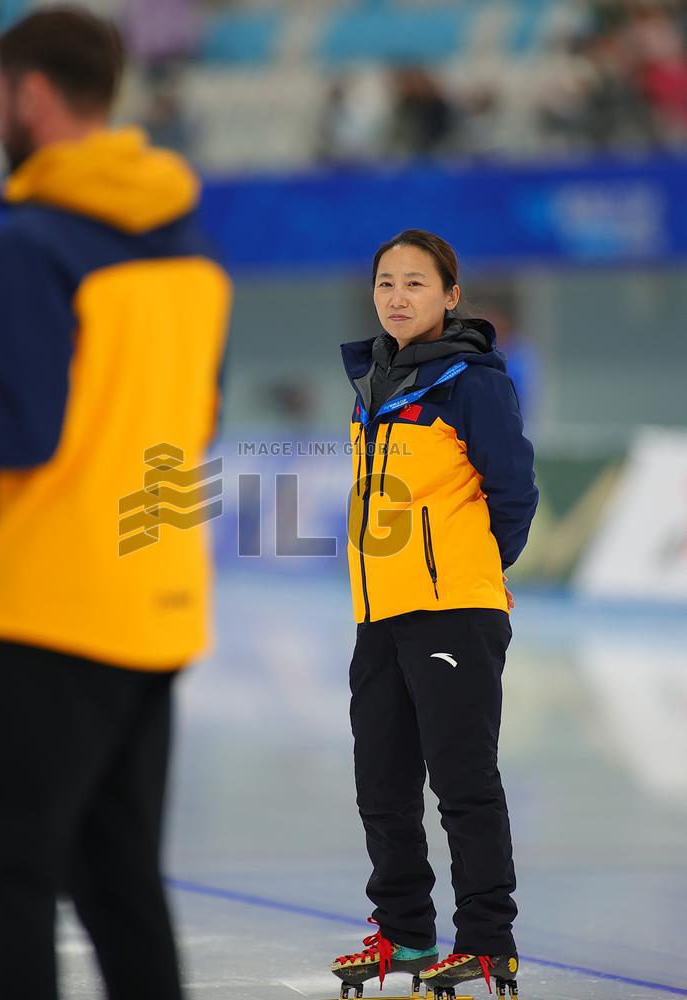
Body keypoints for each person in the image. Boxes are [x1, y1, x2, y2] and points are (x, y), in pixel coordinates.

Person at [0, 8, 231, 1000]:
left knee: (11, 872)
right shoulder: (189, 240)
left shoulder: (31, 244)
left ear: (28, 93)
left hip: (54, 601)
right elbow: (184, 408)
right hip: (157, 594)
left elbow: (29, 434)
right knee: (120, 878)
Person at [330, 230, 537, 998]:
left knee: (462, 784)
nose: (396, 296)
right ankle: (406, 936)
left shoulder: (469, 381)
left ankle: (486, 943)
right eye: (386, 282)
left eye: (415, 283)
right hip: (378, 616)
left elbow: (514, 491)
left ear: (450, 297)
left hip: (453, 612)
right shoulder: (373, 385)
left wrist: (475, 567)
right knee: (381, 785)